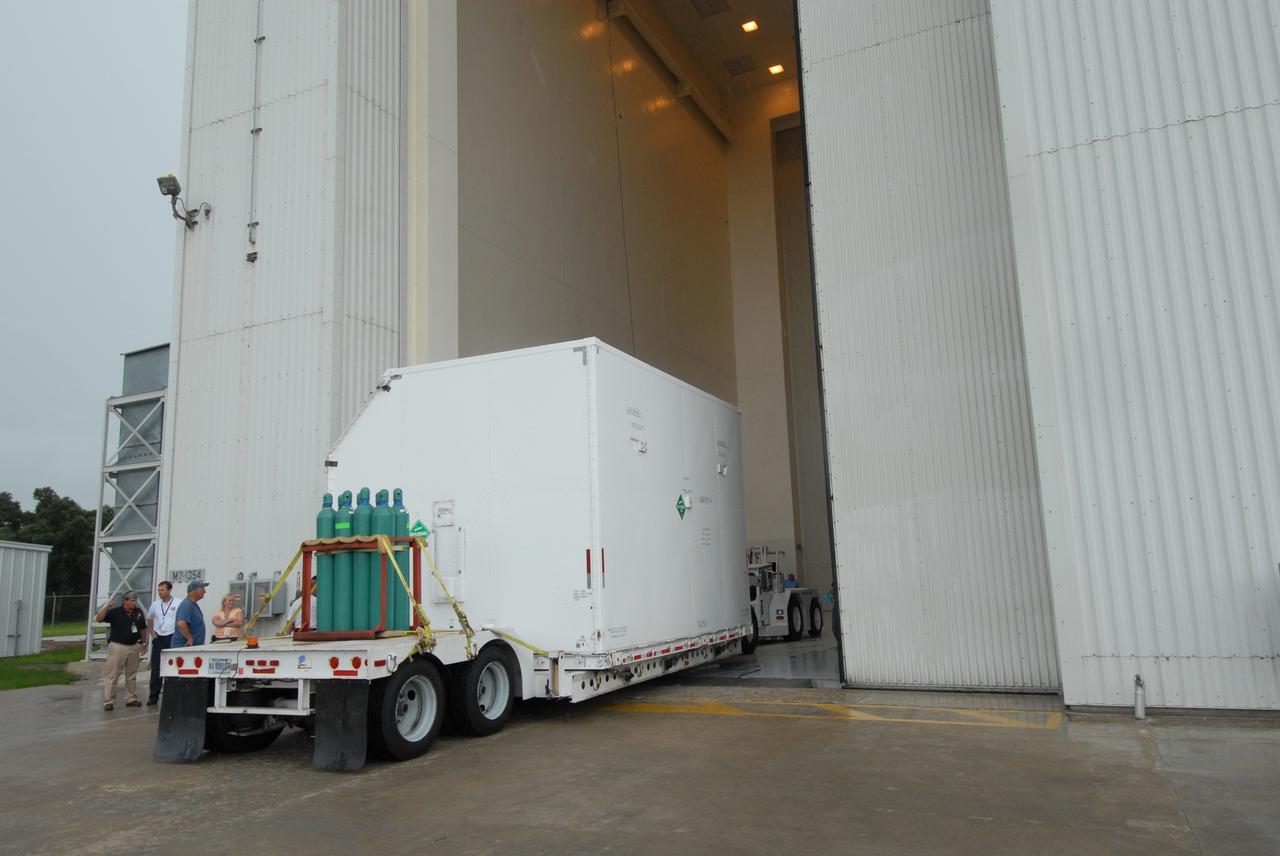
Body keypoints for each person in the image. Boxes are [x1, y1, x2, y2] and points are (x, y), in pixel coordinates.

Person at [95, 592, 148, 711]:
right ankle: (109, 701)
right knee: (113, 675)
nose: (134, 603)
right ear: (125, 601)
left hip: (134, 646)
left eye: (135, 600)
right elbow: (99, 619)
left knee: (131, 675)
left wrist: (144, 643)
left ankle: (131, 698)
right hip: (118, 647)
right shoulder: (115, 612)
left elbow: (143, 628)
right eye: (132, 600)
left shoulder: (138, 612)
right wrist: (107, 607)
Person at [144, 580, 177, 706]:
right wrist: (152, 633)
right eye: (159, 590)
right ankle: (153, 696)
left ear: (169, 590)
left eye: (162, 590)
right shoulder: (155, 605)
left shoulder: (177, 603)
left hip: (172, 636)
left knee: (173, 667)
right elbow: (149, 618)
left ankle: (171, 695)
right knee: (156, 668)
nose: (160, 592)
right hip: (159, 638)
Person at [170, 581, 208, 649]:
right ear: (195, 590)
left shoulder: (192, 605)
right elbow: (181, 623)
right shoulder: (186, 604)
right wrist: (190, 638)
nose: (205, 591)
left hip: (192, 647)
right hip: (183, 647)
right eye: (202, 588)